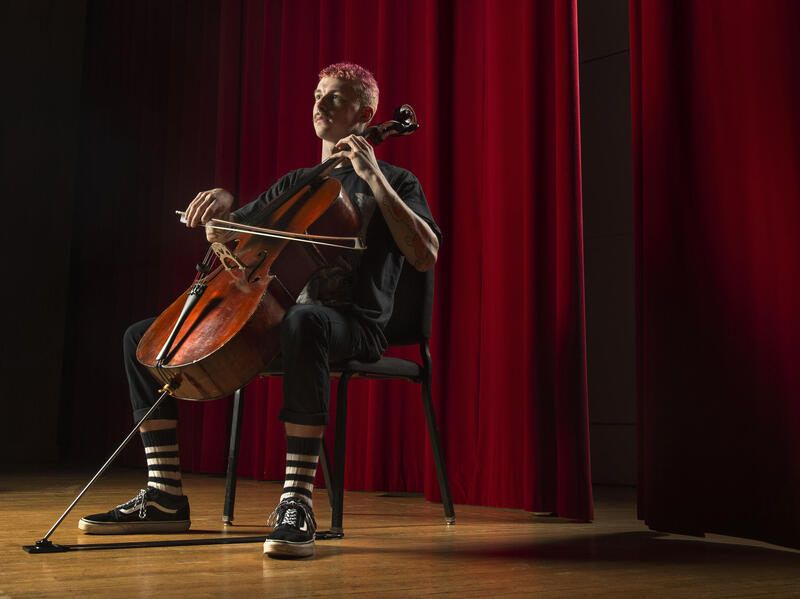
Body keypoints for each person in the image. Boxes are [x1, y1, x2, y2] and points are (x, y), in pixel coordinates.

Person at [77, 63, 441, 558]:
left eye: (336, 97)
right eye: (318, 93)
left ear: (367, 114)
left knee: (305, 320)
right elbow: (232, 231)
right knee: (143, 339)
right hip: (275, 320)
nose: (320, 103)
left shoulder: (397, 181)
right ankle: (164, 495)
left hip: (354, 325)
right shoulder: (297, 183)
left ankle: (296, 501)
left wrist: (373, 174)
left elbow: (425, 253)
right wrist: (222, 206)